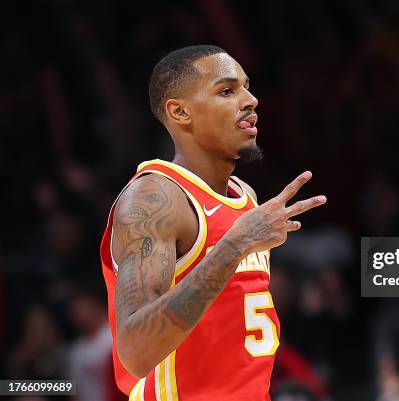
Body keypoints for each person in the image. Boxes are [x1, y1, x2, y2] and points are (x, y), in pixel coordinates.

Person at [100, 45, 327, 401]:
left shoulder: (244, 195)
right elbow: (136, 351)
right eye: (227, 91)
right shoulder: (154, 199)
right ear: (179, 112)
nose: (251, 100)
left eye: (247, 87)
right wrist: (233, 246)